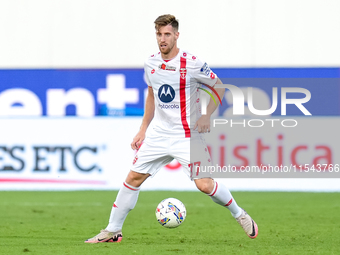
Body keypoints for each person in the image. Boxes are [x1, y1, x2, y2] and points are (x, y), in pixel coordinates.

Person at [85, 14, 258, 243]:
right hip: (158, 133)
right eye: (159, 34)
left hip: (187, 135)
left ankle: (240, 215)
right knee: (133, 178)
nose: (162, 39)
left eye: (167, 34)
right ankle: (113, 230)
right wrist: (142, 129)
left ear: (177, 35)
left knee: (204, 185)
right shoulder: (151, 63)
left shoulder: (192, 63)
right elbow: (151, 94)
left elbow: (219, 86)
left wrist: (206, 115)